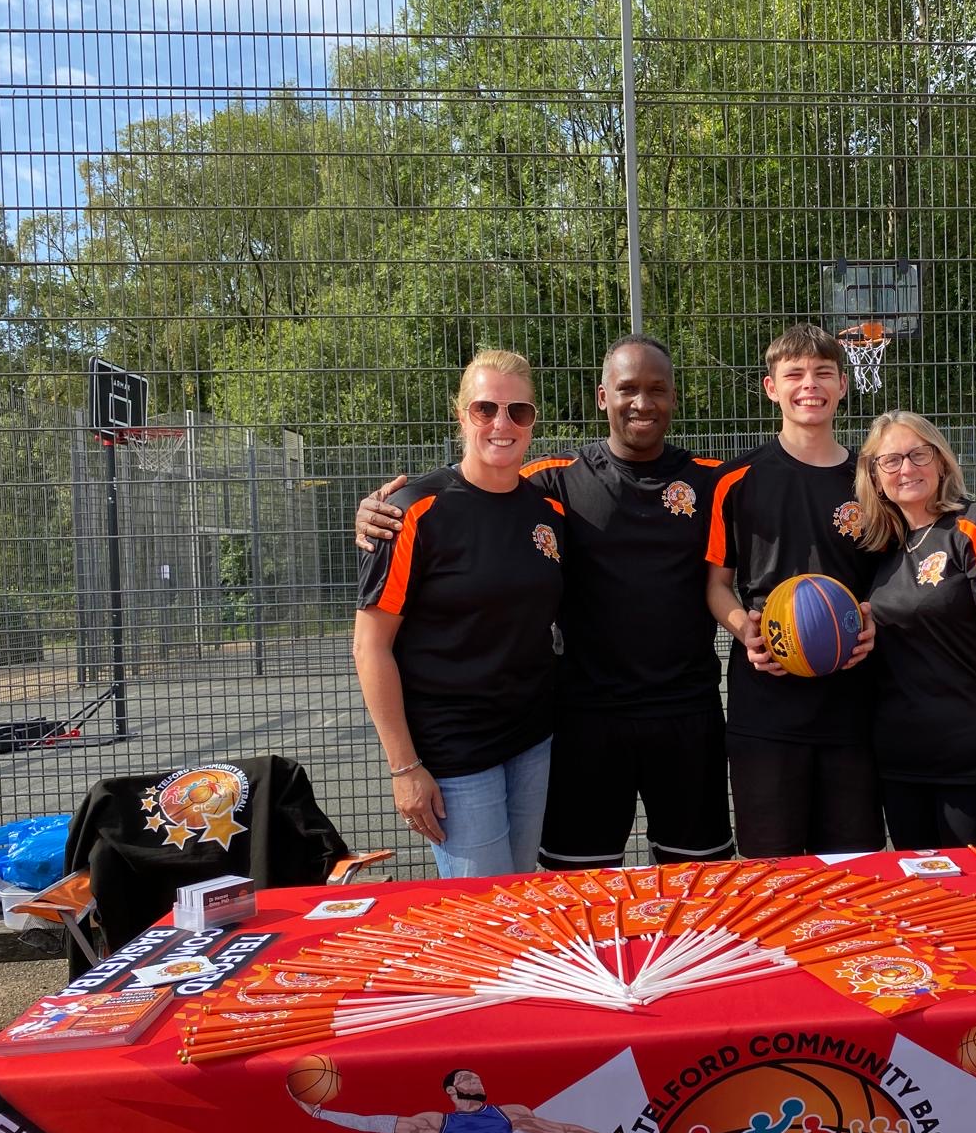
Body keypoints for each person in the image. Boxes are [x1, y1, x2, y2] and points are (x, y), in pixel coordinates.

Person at [355, 335, 733, 871]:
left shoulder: (713, 482)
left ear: (674, 396)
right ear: (602, 397)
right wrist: (377, 511)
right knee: (551, 894)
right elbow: (473, 494)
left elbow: (781, 514)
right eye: (627, 388)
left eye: (657, 389)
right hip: (571, 726)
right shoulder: (553, 481)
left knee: (693, 884)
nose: (642, 403)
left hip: (655, 722)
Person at [353, 349, 563, 877]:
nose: (502, 424)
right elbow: (370, 646)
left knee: (522, 893)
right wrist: (404, 767)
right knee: (485, 910)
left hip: (532, 741)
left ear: (533, 422)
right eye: (485, 408)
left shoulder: (549, 509)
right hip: (455, 752)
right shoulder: (412, 510)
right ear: (461, 414)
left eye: (519, 411)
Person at [705, 324, 881, 857]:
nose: (810, 385)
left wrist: (873, 621)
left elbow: (891, 579)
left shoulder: (872, 479)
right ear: (771, 387)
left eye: (824, 373)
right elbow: (716, 586)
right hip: (766, 708)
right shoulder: (736, 479)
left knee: (854, 869)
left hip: (853, 705)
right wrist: (746, 630)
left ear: (843, 385)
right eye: (795, 374)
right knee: (772, 870)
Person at [854, 411, 976, 849]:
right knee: (921, 887)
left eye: (919, 454)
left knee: (975, 889)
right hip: (901, 764)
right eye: (891, 460)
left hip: (972, 763)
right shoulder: (881, 550)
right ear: (875, 478)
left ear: (941, 462)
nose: (907, 468)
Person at [295, 1066, 648, 1133]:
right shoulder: (435, 1123)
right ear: (451, 1091)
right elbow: (374, 1124)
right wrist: (322, 1115)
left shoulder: (509, 1114)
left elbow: (562, 1132)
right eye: (466, 1078)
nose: (475, 1079)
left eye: (476, 1077)